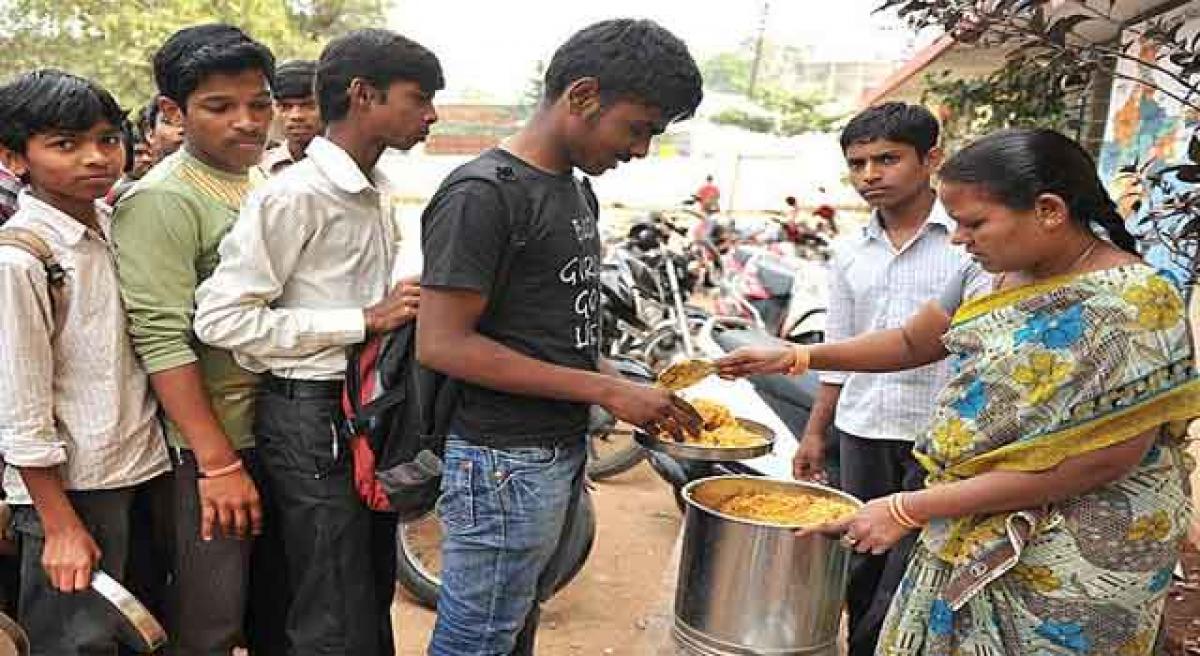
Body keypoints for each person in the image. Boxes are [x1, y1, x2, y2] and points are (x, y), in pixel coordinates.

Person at [718, 128, 1199, 656]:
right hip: (970, 514)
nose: (958, 239)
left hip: (1076, 555)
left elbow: (1099, 463)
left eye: (973, 223)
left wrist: (909, 507)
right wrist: (797, 356)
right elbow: (911, 341)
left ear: (1049, 210)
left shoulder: (1135, 304)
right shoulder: (995, 273)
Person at [417, 18, 704, 655]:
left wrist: (622, 382)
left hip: (553, 448)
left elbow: (552, 333)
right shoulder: (482, 195)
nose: (639, 151)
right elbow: (443, 344)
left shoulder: (575, 194)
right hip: (500, 461)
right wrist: (603, 387)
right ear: (582, 96)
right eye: (639, 129)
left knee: (514, 622)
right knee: (478, 637)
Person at [194, 29, 443, 655]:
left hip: (360, 414)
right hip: (312, 417)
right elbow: (221, 320)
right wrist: (362, 320)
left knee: (362, 590)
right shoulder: (296, 194)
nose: (432, 114)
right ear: (363, 95)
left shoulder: (373, 188)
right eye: (419, 98)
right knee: (331, 605)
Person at [789, 102, 989, 656]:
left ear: (931, 159)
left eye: (887, 159)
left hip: (944, 438)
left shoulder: (971, 243)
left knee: (916, 566)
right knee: (860, 556)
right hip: (864, 427)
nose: (870, 175)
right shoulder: (850, 250)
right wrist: (815, 433)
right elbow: (839, 348)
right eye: (857, 164)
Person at [112, 24, 285, 655]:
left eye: (259, 103)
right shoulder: (163, 200)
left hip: (271, 428)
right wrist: (216, 463)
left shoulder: (260, 183)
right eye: (219, 107)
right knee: (207, 620)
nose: (247, 121)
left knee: (262, 609)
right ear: (172, 112)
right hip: (206, 448)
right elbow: (160, 339)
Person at [0, 69, 172, 655]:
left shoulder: (110, 225)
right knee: (74, 643)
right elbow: (21, 409)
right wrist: (59, 524)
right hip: (73, 492)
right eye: (65, 144)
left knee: (129, 637)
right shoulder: (22, 259)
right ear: (14, 158)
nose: (95, 158)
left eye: (107, 139)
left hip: (138, 470)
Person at [259, 60, 322, 176]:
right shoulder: (260, 170)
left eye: (309, 105)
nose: (296, 116)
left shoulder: (351, 166)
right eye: (285, 107)